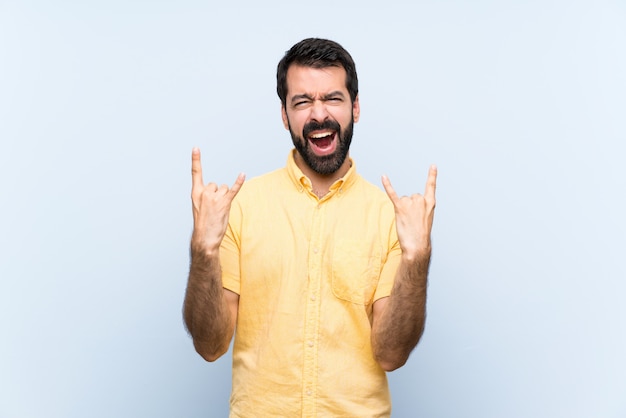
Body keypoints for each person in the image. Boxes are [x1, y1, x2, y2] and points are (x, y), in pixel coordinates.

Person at [183, 38, 437, 417]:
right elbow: (209, 344)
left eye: (333, 98)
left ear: (355, 107)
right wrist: (202, 251)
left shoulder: (391, 217)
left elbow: (391, 353)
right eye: (302, 102)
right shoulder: (240, 207)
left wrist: (418, 258)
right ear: (285, 115)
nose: (319, 115)